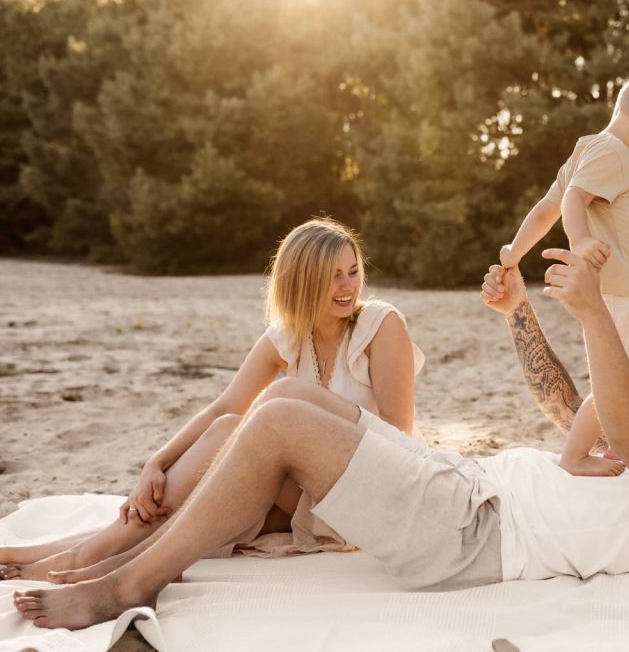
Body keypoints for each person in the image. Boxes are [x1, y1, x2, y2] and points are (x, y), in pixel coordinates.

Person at [12, 250, 629, 631]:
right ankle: (119, 547)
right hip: (464, 481)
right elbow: (571, 403)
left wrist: (596, 312)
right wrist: (521, 312)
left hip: (473, 532)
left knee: (283, 419)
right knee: (287, 391)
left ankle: (127, 583)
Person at [0, 217, 423, 582]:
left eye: (352, 271)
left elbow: (397, 434)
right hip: (303, 492)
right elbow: (224, 407)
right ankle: (59, 552)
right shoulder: (287, 337)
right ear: (303, 281)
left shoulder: (380, 325)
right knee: (199, 492)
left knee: (219, 458)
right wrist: (156, 462)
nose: (348, 286)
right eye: (334, 275)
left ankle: (84, 556)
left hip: (367, 491)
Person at [499, 71, 629, 477]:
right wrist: (581, 239)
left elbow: (544, 209)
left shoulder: (586, 152)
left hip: (619, 298)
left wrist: (512, 254)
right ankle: (576, 455)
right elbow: (573, 201)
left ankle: (605, 448)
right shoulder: (613, 154)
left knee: (624, 383)